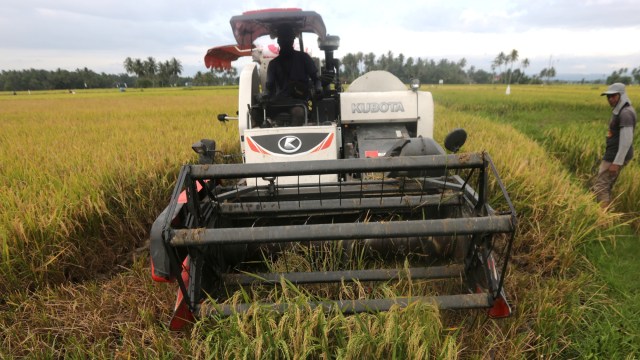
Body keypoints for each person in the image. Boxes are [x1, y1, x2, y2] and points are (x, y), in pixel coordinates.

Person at [264, 23, 322, 125]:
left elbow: (316, 79)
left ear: (292, 40)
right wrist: (264, 96)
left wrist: (318, 88)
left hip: (298, 102)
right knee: (255, 112)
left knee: (298, 112)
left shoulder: (304, 58)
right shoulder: (273, 64)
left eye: (288, 39)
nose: (285, 41)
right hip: (279, 103)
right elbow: (269, 87)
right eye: (283, 39)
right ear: (279, 41)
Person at [592, 82, 636, 208]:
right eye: (608, 96)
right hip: (613, 154)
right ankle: (604, 212)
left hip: (615, 156)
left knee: (601, 185)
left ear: (621, 96)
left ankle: (602, 218)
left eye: (613, 96)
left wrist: (617, 162)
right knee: (606, 184)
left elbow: (627, 140)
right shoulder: (621, 110)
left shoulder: (625, 113)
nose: (610, 99)